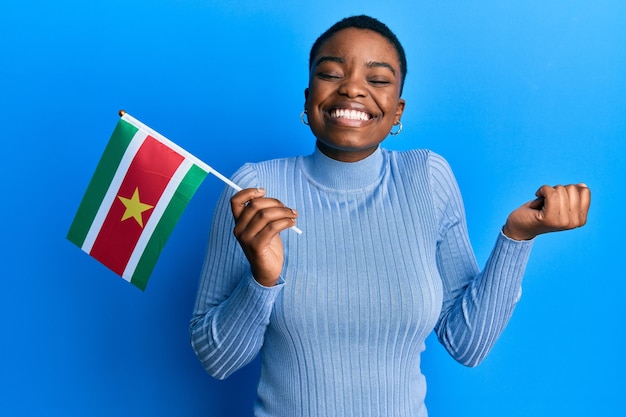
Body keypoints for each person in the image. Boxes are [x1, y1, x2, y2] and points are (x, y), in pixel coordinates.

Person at [190, 15, 591, 417]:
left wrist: (517, 238)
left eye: (378, 80)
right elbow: (217, 359)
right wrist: (262, 279)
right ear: (308, 98)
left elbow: (467, 344)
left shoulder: (427, 178)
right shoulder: (255, 188)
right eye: (331, 73)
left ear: (396, 111)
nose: (351, 88)